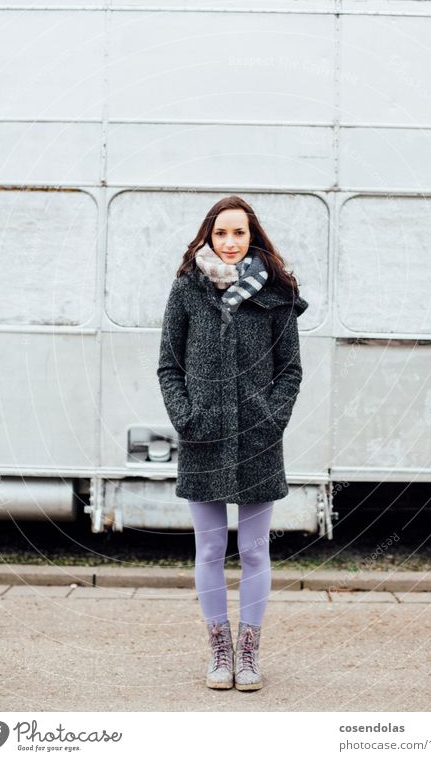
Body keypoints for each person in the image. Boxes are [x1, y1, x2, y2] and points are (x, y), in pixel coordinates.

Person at [157, 195, 308, 691]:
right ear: (208, 236)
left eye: (238, 233)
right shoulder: (186, 291)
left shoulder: (275, 294)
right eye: (221, 233)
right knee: (209, 549)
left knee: (256, 551)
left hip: (259, 440)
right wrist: (186, 416)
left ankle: (248, 654)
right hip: (203, 437)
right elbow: (168, 366)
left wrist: (272, 417)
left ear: (252, 237)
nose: (229, 242)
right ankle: (218, 650)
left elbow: (290, 370)